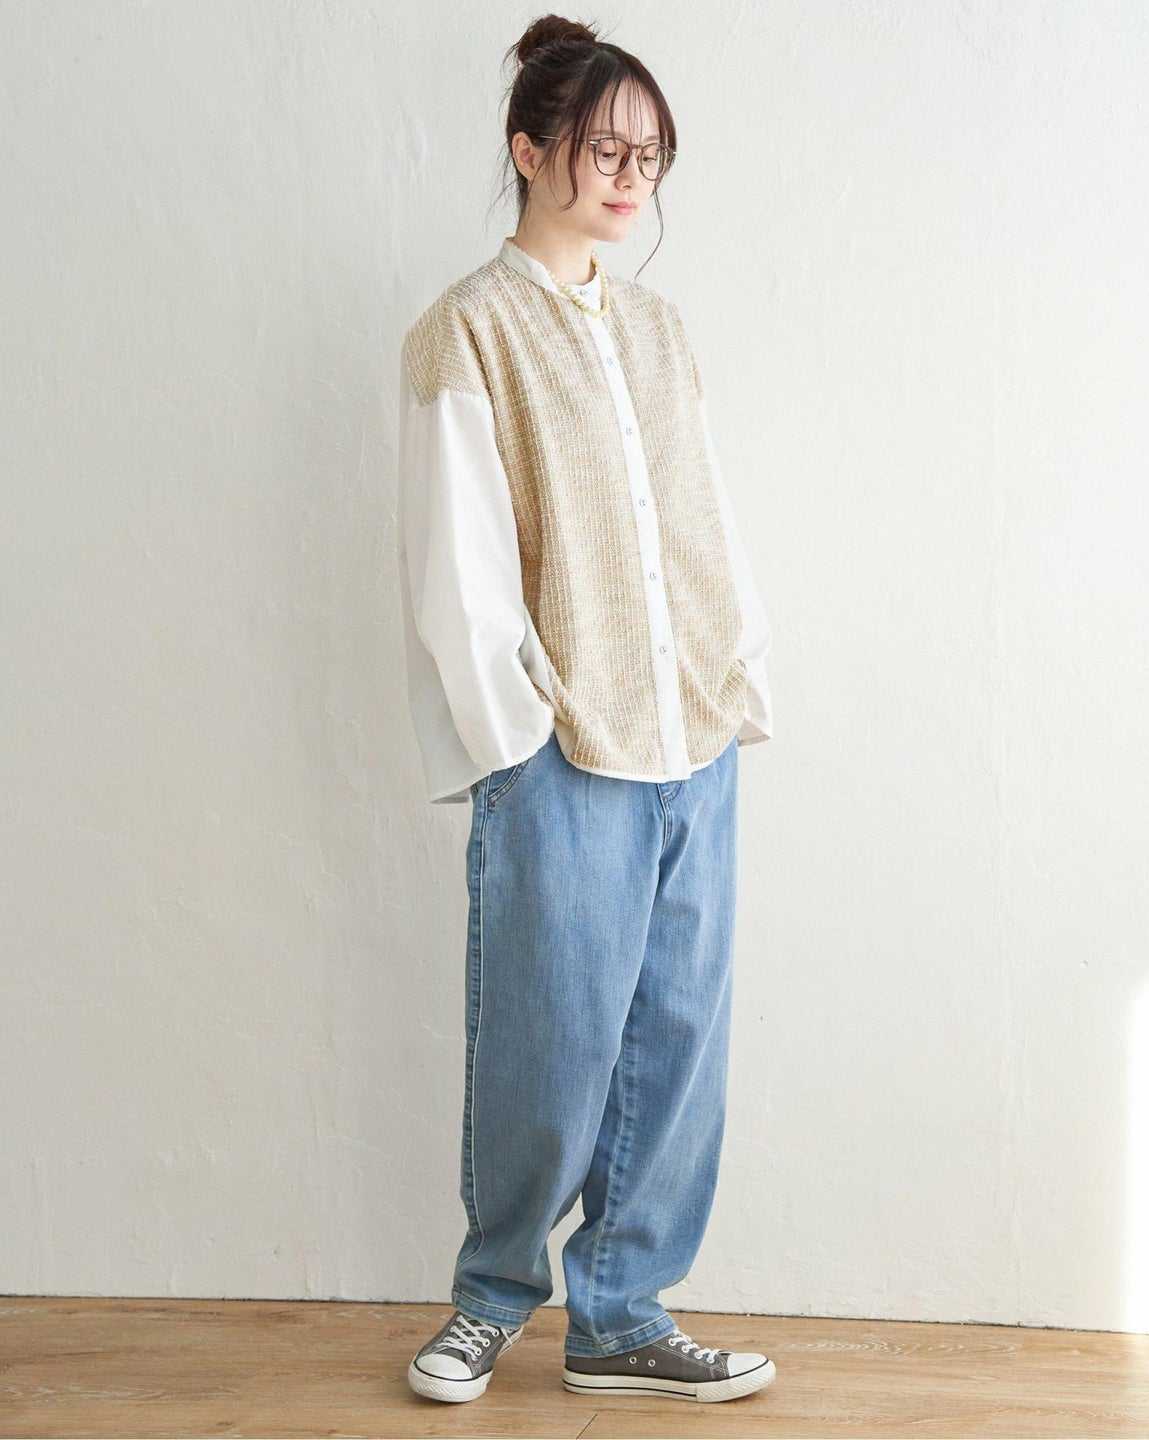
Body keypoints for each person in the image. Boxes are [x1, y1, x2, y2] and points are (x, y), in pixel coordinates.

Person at [397, 13, 776, 1406]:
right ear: (528, 149)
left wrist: (738, 673)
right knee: (547, 1048)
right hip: (563, 742)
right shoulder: (468, 330)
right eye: (604, 148)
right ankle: (491, 1298)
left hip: (692, 734)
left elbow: (702, 514)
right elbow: (457, 561)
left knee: (675, 1046)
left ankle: (622, 1316)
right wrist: (516, 741)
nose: (630, 177)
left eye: (650, 156)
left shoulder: (660, 330)